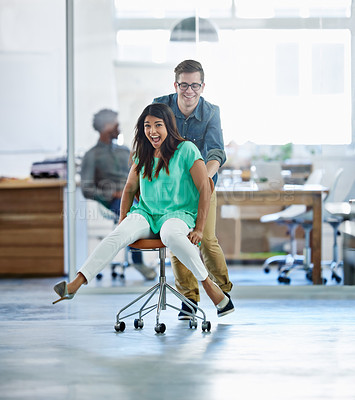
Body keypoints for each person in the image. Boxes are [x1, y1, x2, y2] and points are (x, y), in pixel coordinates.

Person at [53, 103, 234, 318]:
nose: (152, 131)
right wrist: (123, 219)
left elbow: (205, 188)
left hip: (178, 214)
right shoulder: (142, 153)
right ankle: (75, 285)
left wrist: (200, 229)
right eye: (147, 126)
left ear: (169, 126)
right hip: (146, 214)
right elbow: (129, 189)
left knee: (170, 234)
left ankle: (209, 286)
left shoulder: (186, 150)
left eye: (158, 125)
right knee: (117, 235)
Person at [153, 60, 233, 319]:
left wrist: (203, 179)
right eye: (184, 85)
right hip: (172, 189)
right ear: (175, 84)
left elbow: (216, 151)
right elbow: (151, 142)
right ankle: (188, 299)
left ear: (202, 85)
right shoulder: (161, 106)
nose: (189, 90)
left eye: (195, 85)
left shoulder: (211, 112)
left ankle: (222, 291)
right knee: (179, 241)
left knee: (207, 241)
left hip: (203, 185)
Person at [80, 108, 157, 281]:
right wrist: (111, 193)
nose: (119, 128)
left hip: (137, 195)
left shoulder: (124, 151)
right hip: (113, 201)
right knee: (135, 215)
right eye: (116, 124)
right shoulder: (92, 155)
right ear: (106, 127)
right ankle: (138, 261)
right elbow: (87, 189)